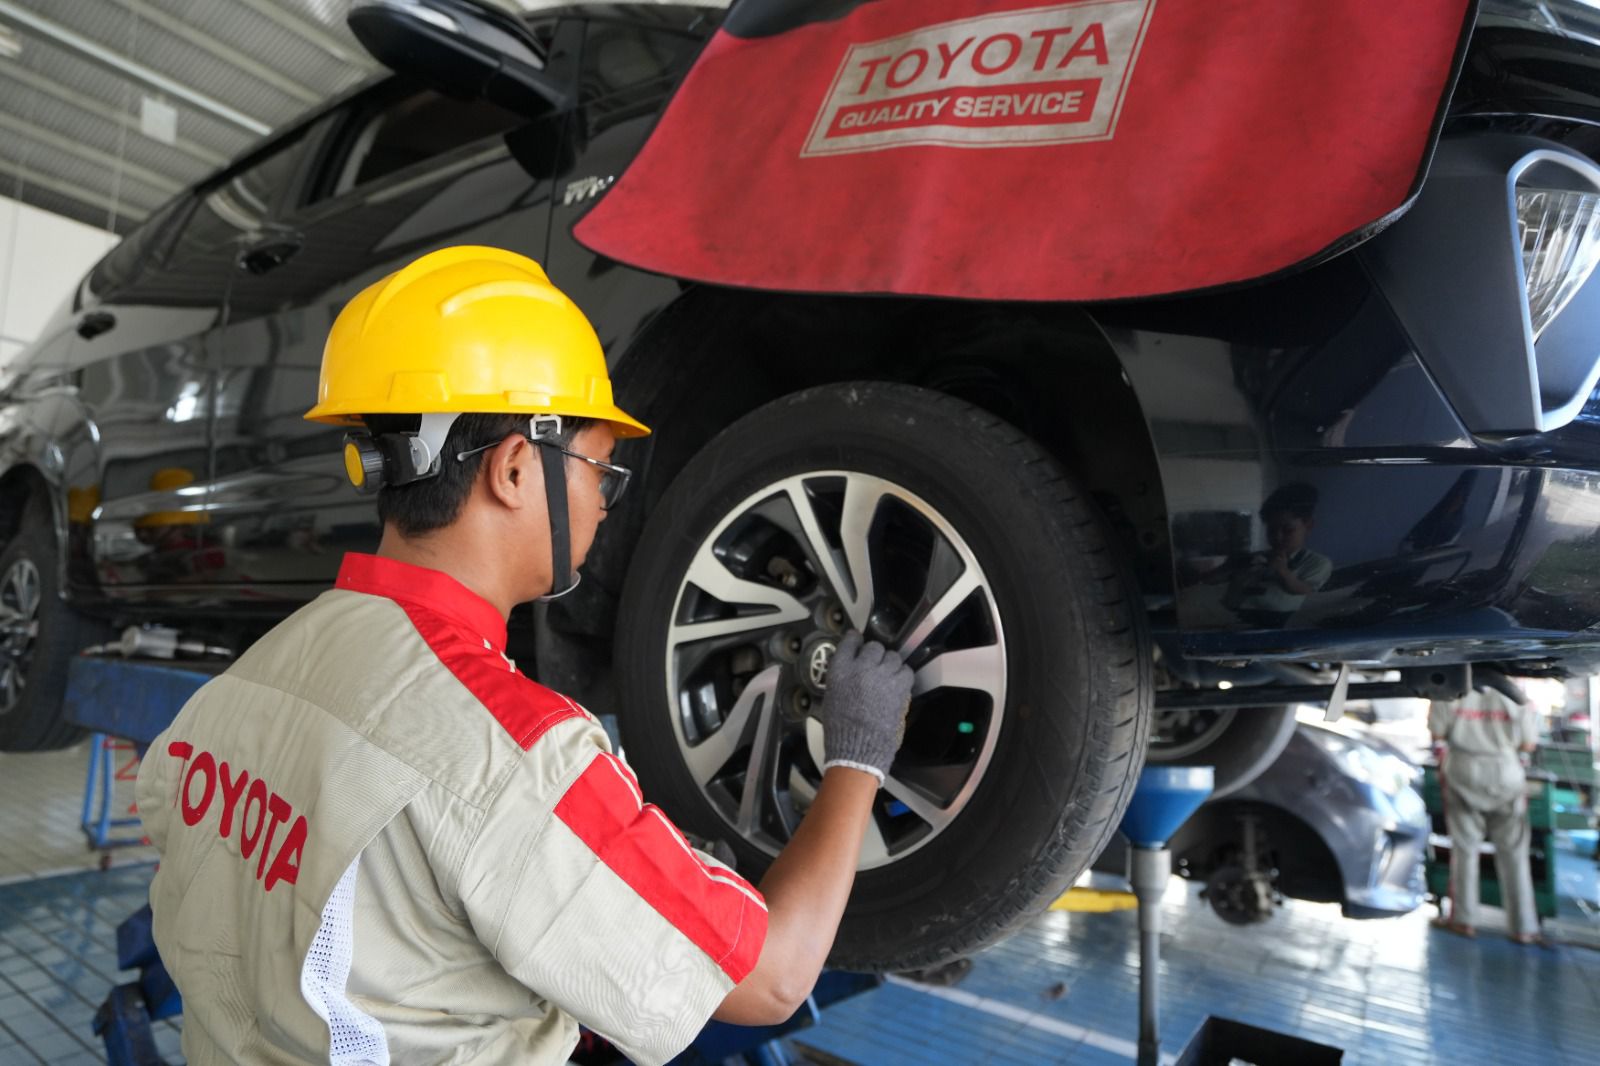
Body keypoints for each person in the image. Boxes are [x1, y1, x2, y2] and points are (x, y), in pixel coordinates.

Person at [134, 246, 916, 1065]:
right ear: (514, 469)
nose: (605, 505)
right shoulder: (516, 753)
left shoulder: (244, 682)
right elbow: (774, 980)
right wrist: (856, 759)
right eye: (600, 470)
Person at [1428, 667, 1542, 944]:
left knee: (1465, 850)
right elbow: (1529, 744)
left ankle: (1463, 920)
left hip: (1463, 769)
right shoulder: (1516, 694)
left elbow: (1437, 733)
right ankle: (1524, 927)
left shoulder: (1450, 688)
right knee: (1514, 852)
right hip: (1505, 770)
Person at [1222, 482, 1334, 627]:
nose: (1278, 537)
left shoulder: (1318, 562)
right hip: (1232, 619)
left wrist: (1282, 571)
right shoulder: (1256, 557)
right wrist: (1232, 567)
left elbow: (1303, 590)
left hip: (1278, 623)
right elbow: (1215, 580)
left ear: (1308, 525)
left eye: (1288, 530)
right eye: (1271, 530)